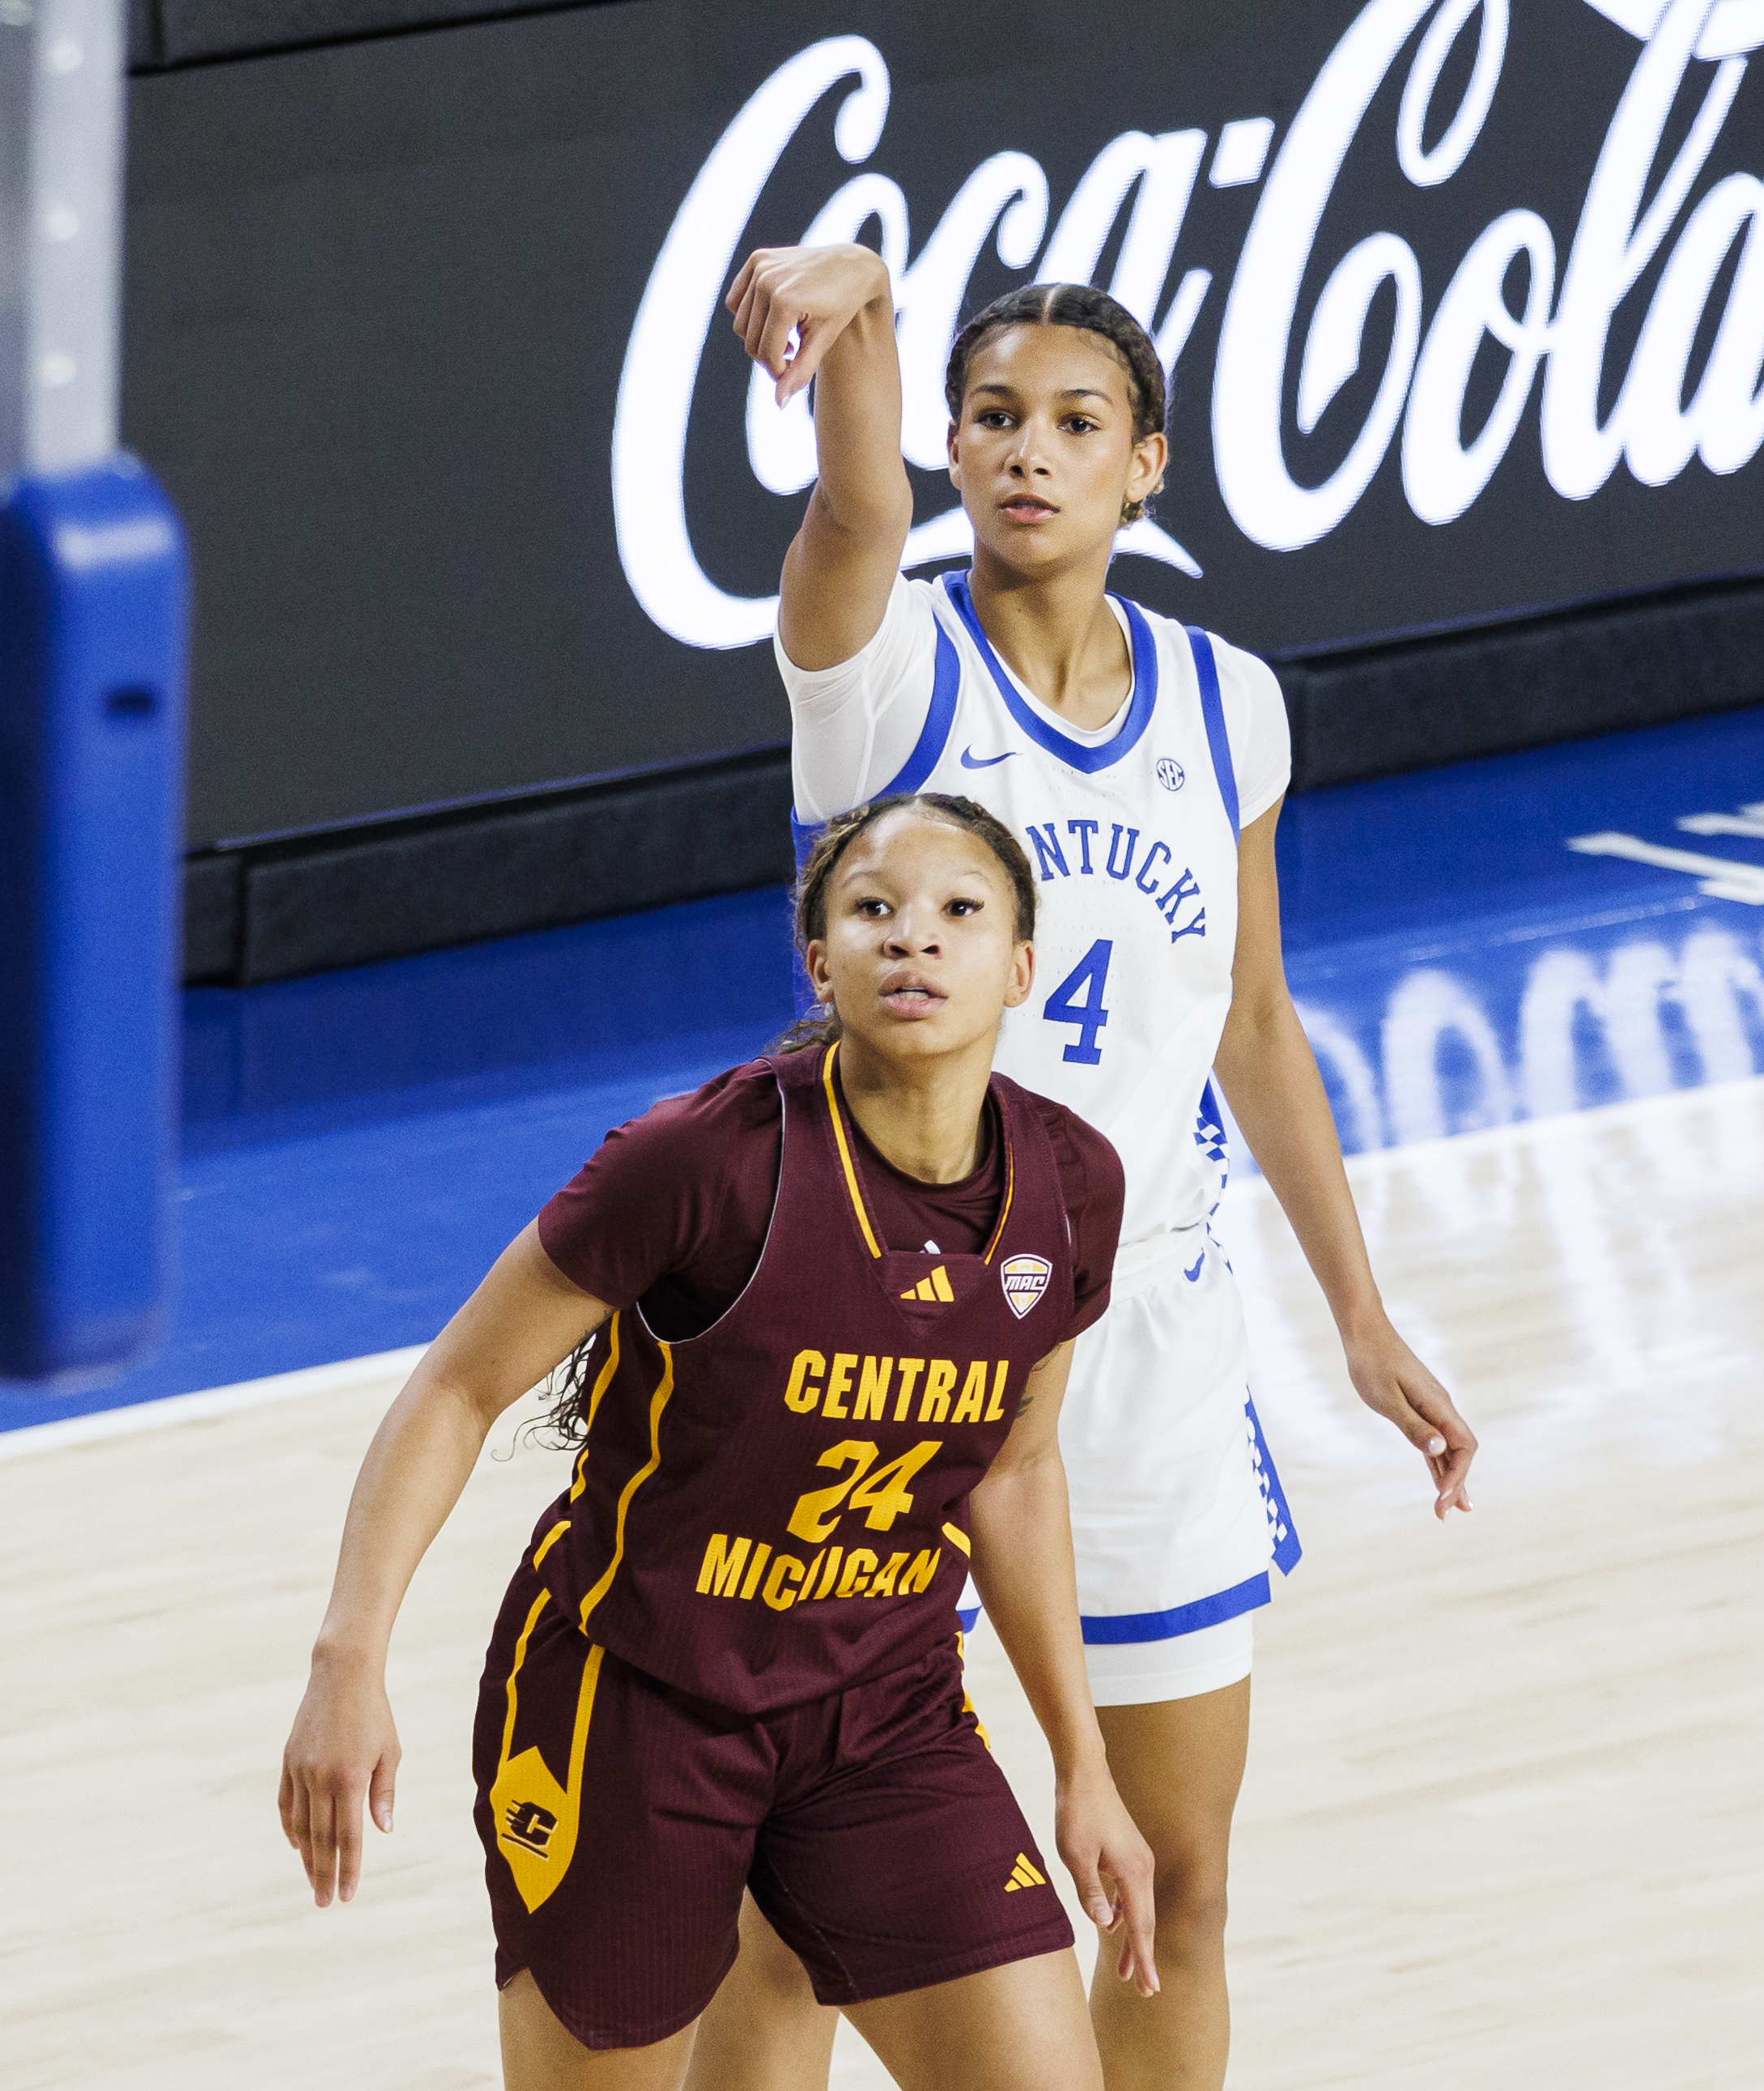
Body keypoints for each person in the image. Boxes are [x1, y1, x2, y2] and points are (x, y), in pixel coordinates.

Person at [690, 249, 1482, 2089]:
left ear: (1148, 466)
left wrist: (1360, 1314)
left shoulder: (1230, 705)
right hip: (885, 1354)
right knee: (800, 1913)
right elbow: (849, 498)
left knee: (1172, 1885)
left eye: (1075, 422)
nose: (1027, 453)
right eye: (994, 418)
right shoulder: (881, 672)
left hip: (1149, 1372)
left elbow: (1256, 1023)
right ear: (954, 451)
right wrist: (859, 302)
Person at [283, 793, 1156, 2090]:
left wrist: (1085, 1766)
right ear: (819, 961)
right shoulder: (701, 1163)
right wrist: (348, 1659)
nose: (913, 939)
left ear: (1022, 966)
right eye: (873, 910)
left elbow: (1015, 1474)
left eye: (960, 912)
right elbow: (458, 1389)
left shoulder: (1073, 1185)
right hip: (636, 1702)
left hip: (885, 1709)